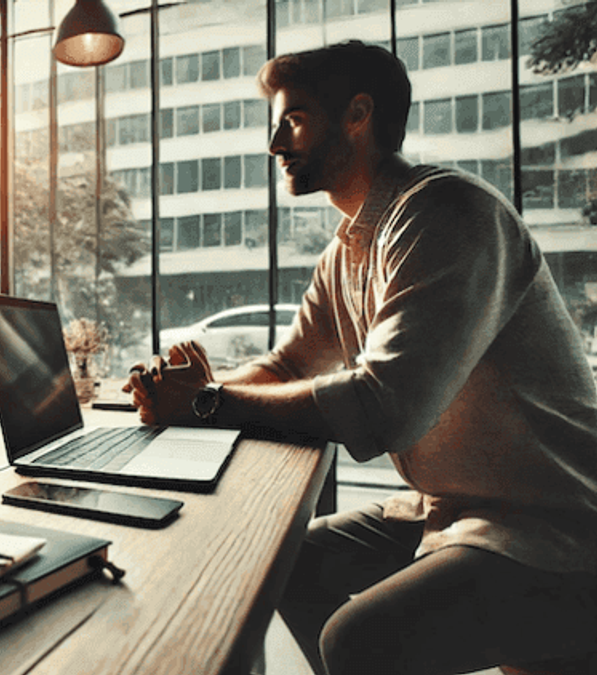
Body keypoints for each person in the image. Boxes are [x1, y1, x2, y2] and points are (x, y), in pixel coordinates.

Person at [127, 41, 597, 675]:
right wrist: (185, 392)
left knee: (358, 640)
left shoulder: (447, 213)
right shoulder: (349, 249)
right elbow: (291, 366)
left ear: (358, 114)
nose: (274, 144)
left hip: (556, 527)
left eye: (292, 120)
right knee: (267, 568)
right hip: (446, 507)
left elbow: (384, 409)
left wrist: (207, 402)